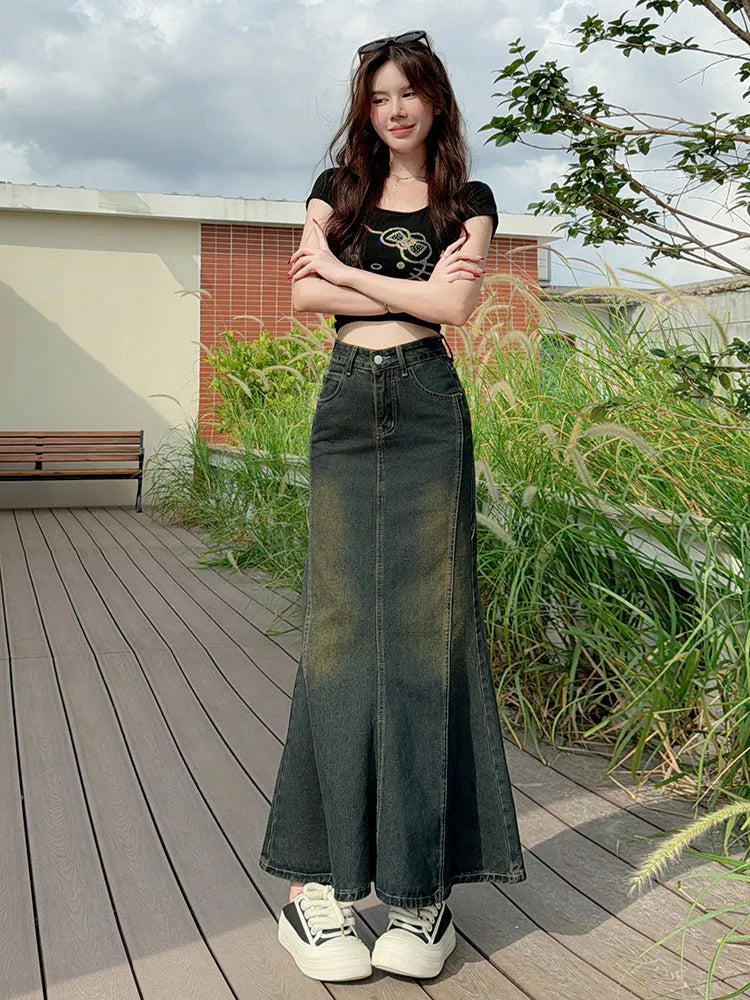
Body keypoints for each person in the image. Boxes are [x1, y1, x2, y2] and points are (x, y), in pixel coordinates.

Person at [258, 29, 526, 983]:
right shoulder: (336, 190)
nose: (395, 108)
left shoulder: (468, 203)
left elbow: (454, 314)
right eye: (379, 96)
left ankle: (420, 892)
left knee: (426, 634)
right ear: (364, 109)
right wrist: (396, 287)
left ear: (436, 101)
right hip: (346, 405)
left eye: (409, 92)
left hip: (426, 406)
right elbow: (303, 300)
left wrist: (345, 277)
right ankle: (314, 893)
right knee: (337, 635)